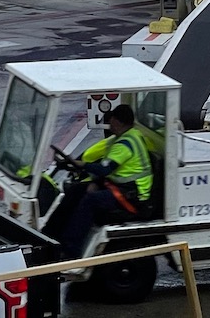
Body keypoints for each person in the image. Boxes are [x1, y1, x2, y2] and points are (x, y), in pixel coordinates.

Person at [57, 104, 154, 257]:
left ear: (118, 122)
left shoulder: (125, 144)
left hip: (133, 195)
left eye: (112, 121)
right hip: (122, 187)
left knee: (90, 201)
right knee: (77, 190)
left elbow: (104, 169)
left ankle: (71, 251)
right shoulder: (128, 135)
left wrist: (81, 165)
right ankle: (54, 235)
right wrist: (95, 182)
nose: (110, 125)